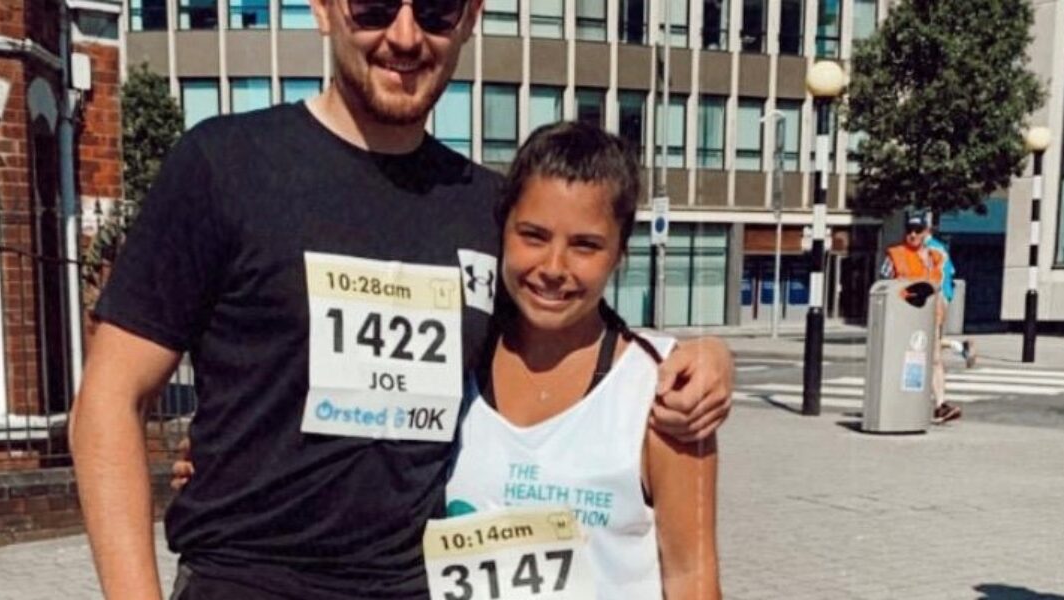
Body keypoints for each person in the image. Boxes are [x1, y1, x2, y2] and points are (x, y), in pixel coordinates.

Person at [70, 1, 734, 598]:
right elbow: (106, 402)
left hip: (415, 583)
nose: (406, 35)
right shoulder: (225, 166)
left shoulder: (484, 209)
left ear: (470, 19)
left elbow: (567, 326)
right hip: (246, 579)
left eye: (438, 11)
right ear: (325, 9)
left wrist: (702, 357)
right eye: (375, 7)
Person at [445, 122, 720, 598]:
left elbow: (691, 577)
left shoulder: (664, 394)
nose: (553, 268)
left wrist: (711, 351)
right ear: (503, 229)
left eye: (585, 245)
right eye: (533, 235)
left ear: (619, 251)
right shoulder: (456, 363)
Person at [881, 211, 959, 423]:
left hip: (929, 317)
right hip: (902, 317)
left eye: (917, 230)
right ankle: (896, 404)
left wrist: (943, 308)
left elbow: (941, 287)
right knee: (904, 361)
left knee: (934, 360)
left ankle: (941, 405)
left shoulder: (936, 257)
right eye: (909, 230)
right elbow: (883, 286)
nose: (912, 235)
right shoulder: (896, 255)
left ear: (926, 232)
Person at [923, 228, 977, 368]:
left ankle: (960, 348)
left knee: (929, 335)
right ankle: (961, 348)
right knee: (932, 335)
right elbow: (952, 270)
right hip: (945, 294)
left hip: (935, 296)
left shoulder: (928, 249)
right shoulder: (941, 248)